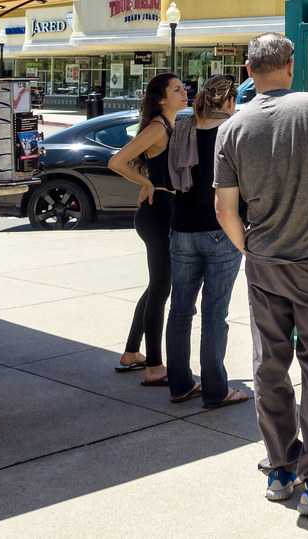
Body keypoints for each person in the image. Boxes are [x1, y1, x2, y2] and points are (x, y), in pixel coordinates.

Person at [214, 32, 308, 516]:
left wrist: (250, 249)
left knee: (269, 364)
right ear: (291, 65)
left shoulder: (232, 128)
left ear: (247, 68)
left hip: (266, 265)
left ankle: (281, 468)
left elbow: (225, 209)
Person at [164, 75, 248, 408]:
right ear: (229, 102)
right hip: (220, 230)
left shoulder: (183, 128)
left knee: (180, 311)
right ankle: (215, 391)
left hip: (181, 228)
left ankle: (180, 385)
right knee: (215, 316)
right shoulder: (234, 132)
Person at [108, 73, 189, 386]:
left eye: (184, 88)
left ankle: (132, 352)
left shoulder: (171, 126)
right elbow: (117, 161)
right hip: (157, 215)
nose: (184, 92)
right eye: (177, 89)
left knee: (157, 286)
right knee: (160, 289)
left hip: (161, 213)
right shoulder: (157, 127)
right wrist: (147, 183)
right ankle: (154, 366)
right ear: (161, 98)